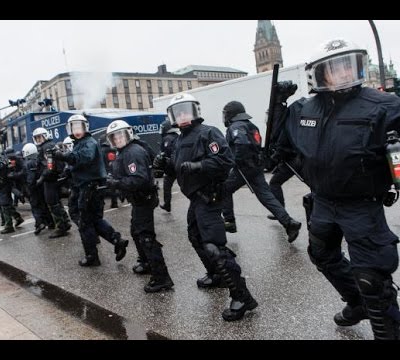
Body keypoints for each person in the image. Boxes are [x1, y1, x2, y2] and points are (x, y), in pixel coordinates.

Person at [274, 38, 400, 340]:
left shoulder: (385, 106)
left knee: (372, 278)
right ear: (318, 74)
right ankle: (357, 302)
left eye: (349, 65)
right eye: (334, 68)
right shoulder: (304, 108)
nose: (343, 73)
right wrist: (279, 109)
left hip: (362, 204)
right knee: (322, 255)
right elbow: (283, 148)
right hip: (323, 202)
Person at [163, 93, 257, 321]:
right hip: (195, 198)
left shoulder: (208, 133)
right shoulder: (177, 140)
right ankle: (216, 275)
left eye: (186, 110)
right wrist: (164, 165)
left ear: (195, 111)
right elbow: (177, 169)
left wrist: (199, 165)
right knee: (195, 237)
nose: (182, 116)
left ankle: (241, 296)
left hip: (210, 196)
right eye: (178, 112)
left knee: (214, 246)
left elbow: (226, 161)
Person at [106, 119, 173, 293]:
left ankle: (161, 278)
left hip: (143, 198)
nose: (118, 139)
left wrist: (116, 183)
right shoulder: (125, 151)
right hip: (139, 199)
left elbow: (138, 179)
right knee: (137, 232)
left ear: (127, 134)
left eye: (120, 135)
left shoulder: (132, 152)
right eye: (114, 137)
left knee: (146, 237)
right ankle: (146, 263)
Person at [220, 100, 302, 242]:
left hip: (244, 167)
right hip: (256, 167)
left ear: (231, 114)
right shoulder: (251, 125)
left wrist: (233, 161)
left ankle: (229, 221)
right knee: (266, 197)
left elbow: (242, 144)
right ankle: (289, 223)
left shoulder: (236, 126)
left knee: (224, 189)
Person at [53, 115, 128, 266]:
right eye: (73, 127)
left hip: (90, 187)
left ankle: (92, 257)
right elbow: (80, 164)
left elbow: (83, 158)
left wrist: (63, 156)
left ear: (85, 127)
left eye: (79, 127)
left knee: (85, 223)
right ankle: (117, 240)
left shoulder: (89, 142)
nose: (76, 130)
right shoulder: (80, 143)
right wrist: (69, 172)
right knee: (94, 220)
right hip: (86, 187)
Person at [33, 127, 71, 238]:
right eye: (36, 138)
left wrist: (42, 178)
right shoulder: (50, 145)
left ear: (45, 135)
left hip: (50, 179)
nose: (38, 140)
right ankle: (65, 222)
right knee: (56, 202)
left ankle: (61, 226)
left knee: (52, 203)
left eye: (40, 137)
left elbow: (49, 165)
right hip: (54, 178)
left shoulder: (46, 148)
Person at [157, 119, 179, 212]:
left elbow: (164, 154)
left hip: (170, 168)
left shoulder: (167, 139)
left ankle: (167, 204)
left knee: (167, 187)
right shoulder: (177, 136)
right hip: (178, 166)